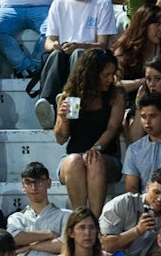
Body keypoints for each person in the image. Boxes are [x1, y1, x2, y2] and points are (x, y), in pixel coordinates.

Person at [32, 0, 118, 125]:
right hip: (64, 55)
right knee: (55, 54)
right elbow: (49, 41)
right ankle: (48, 105)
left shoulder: (102, 3)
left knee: (78, 54)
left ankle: (71, 106)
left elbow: (102, 44)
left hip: (91, 57)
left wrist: (79, 45)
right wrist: (55, 45)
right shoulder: (59, 3)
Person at [52, 50, 124, 213]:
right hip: (74, 156)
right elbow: (61, 139)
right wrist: (63, 119)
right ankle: (81, 219)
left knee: (94, 161)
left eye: (113, 74)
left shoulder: (115, 94)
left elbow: (113, 128)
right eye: (106, 75)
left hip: (106, 155)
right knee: (74, 162)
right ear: (92, 74)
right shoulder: (70, 96)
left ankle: (95, 221)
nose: (111, 79)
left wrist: (95, 148)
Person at [99, 167, 161, 256]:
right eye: (156, 192)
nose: (159, 199)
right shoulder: (122, 203)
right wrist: (137, 230)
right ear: (148, 187)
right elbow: (105, 245)